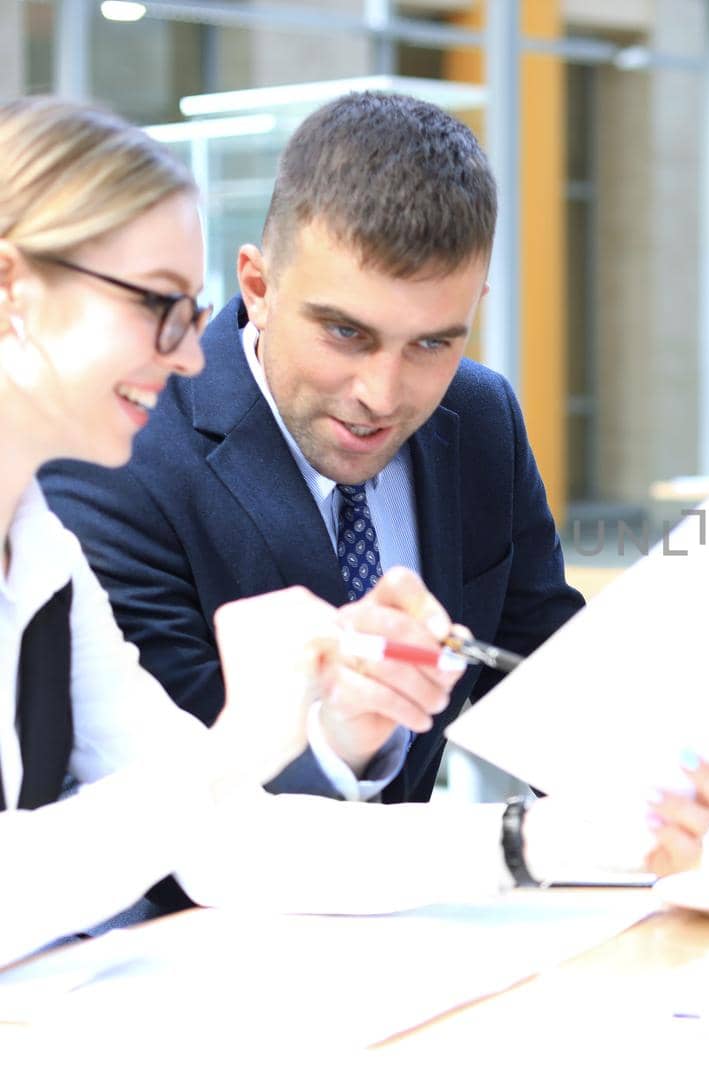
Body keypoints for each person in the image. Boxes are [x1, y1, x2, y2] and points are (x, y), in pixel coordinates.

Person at [0, 96, 709, 967]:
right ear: (12, 287)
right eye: (159, 306)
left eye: (187, 311)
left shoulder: (38, 539)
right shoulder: (107, 480)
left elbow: (224, 842)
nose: (191, 352)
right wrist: (249, 739)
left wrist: (569, 834)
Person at [40, 90, 583, 806]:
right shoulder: (121, 462)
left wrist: (664, 768)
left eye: (431, 342)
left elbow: (552, 679)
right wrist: (341, 731)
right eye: (346, 333)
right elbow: (170, 793)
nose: (382, 395)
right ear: (258, 287)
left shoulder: (477, 417)